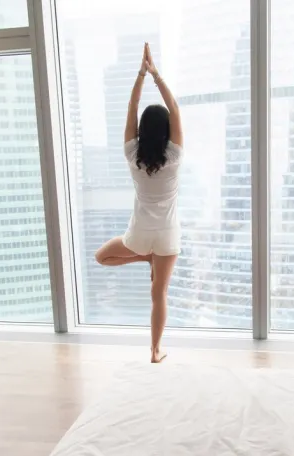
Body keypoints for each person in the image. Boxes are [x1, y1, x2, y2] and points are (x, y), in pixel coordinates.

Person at [94, 42, 183, 364]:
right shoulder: (174, 155)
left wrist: (140, 76)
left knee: (101, 257)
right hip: (169, 235)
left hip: (140, 235)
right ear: (169, 131)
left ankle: (144, 258)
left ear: (143, 131)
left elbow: (131, 108)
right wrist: (157, 77)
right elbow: (174, 109)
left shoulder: (132, 154)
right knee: (159, 294)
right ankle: (155, 351)